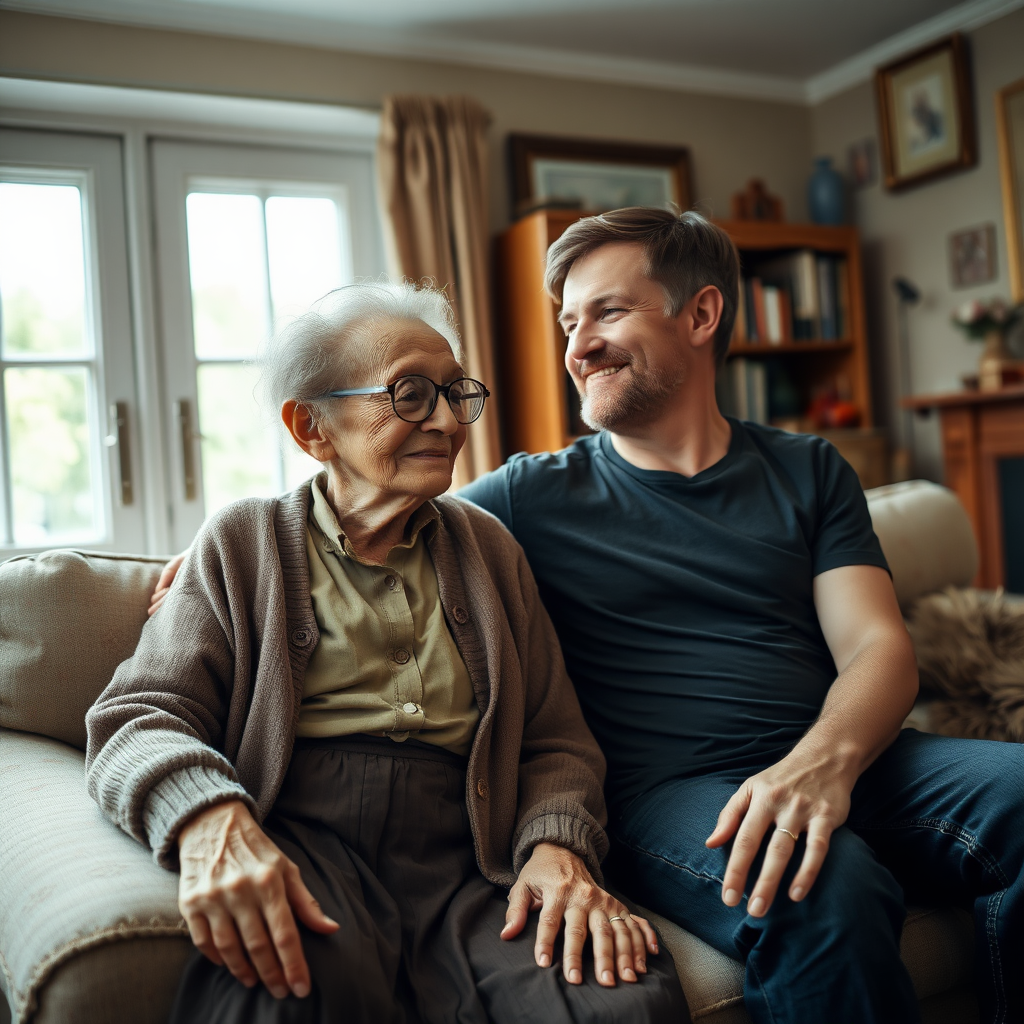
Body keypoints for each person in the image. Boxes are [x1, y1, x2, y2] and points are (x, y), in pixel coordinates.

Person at [457, 208, 1024, 1024]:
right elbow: (364, 530)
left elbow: (876, 645)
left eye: (608, 312)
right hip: (675, 794)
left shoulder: (808, 469)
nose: (577, 347)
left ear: (702, 314)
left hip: (848, 760)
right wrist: (223, 550)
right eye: (569, 323)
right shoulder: (526, 495)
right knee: (818, 884)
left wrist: (821, 765)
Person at [87, 281, 683, 1024]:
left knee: (620, 1001)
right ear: (312, 427)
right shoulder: (246, 542)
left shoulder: (489, 548)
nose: (444, 419)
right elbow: (138, 716)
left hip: (472, 857)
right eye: (408, 393)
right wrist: (209, 819)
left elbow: (554, 740)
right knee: (286, 995)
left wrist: (555, 846)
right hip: (306, 843)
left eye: (454, 392)